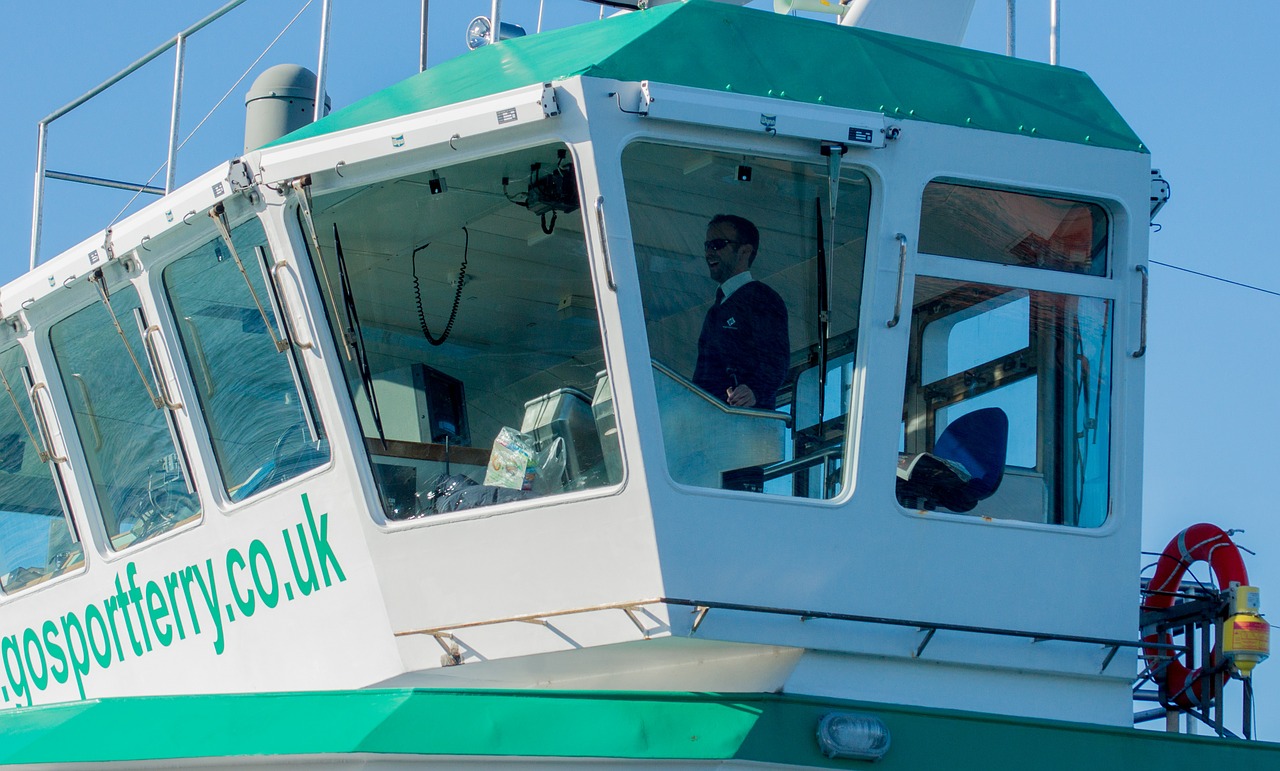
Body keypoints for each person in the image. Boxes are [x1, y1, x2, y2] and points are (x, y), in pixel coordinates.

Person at [692, 214, 789, 409]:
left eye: (718, 244)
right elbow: (704, 374)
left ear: (745, 251)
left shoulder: (761, 298)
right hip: (713, 423)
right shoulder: (715, 312)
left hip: (747, 427)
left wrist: (754, 391)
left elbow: (776, 357)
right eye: (707, 246)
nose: (710, 252)